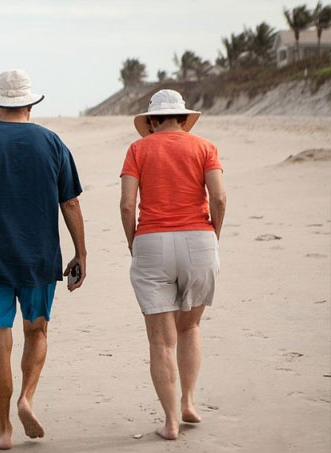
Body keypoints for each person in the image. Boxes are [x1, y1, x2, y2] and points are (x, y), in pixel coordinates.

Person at [0, 69, 86, 450]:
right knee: (36, 331)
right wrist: (81, 253)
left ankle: (4, 429)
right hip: (40, 259)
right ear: (30, 104)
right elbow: (69, 202)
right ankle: (27, 397)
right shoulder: (52, 143)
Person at [120, 89, 227, 440]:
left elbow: (126, 204)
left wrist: (134, 242)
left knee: (160, 341)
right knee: (190, 327)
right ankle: (189, 403)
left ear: (151, 121)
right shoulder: (204, 147)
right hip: (199, 239)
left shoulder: (138, 149)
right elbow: (219, 197)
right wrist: (215, 234)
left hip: (151, 241)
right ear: (183, 118)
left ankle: (169, 422)